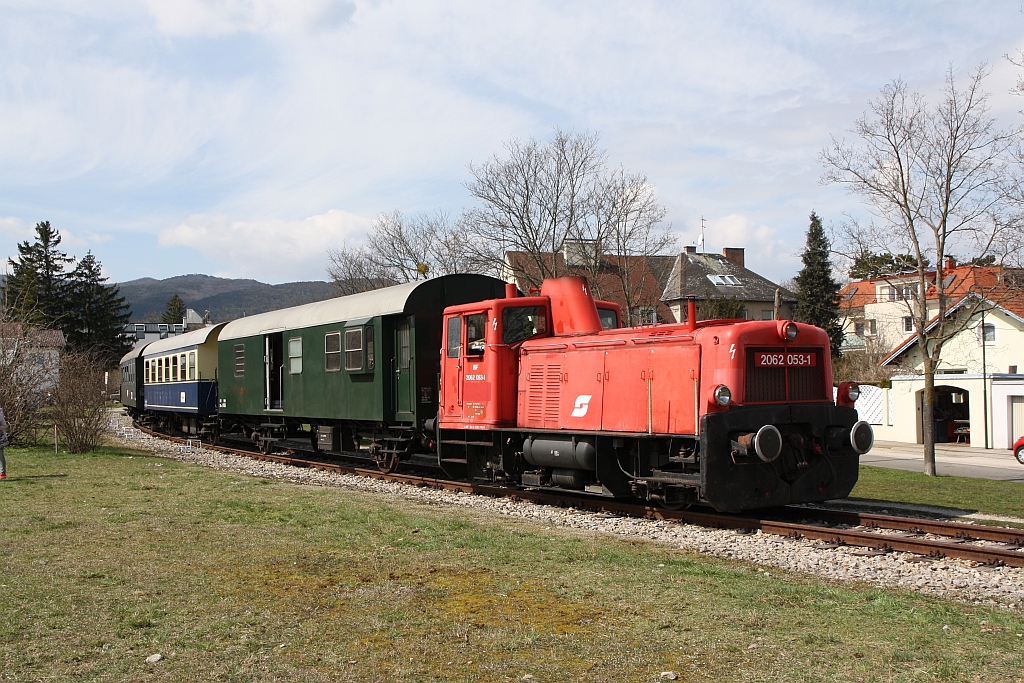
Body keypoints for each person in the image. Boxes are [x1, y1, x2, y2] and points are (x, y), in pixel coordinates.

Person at [0, 406, 7, 480]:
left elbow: (4, 425)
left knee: (1, 455)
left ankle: (2, 472)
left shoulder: (0, 414)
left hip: (0, 438)